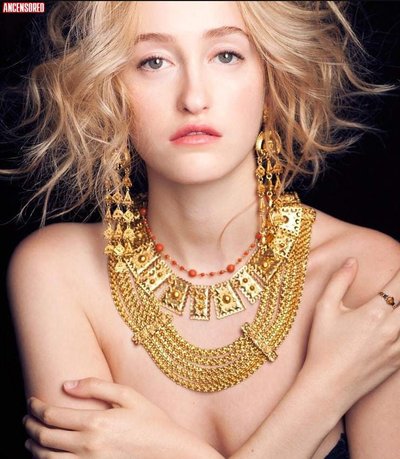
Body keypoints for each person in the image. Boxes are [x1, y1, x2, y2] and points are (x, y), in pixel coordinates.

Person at [3, 1, 400, 458]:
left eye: (226, 55)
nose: (193, 98)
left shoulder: (369, 273)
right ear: (110, 91)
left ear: (271, 80)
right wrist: (326, 391)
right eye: (154, 62)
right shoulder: (58, 273)